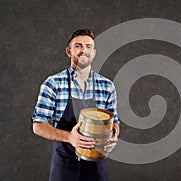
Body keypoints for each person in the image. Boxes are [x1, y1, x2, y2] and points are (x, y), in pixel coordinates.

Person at [31, 29, 119, 181]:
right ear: (68, 51)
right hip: (64, 166)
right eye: (78, 46)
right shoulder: (53, 83)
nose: (84, 50)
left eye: (89, 46)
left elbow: (114, 122)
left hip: (97, 168)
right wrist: (70, 138)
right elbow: (38, 125)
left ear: (94, 52)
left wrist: (113, 137)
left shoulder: (107, 86)